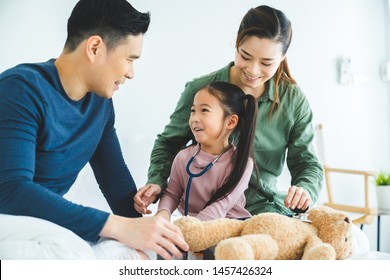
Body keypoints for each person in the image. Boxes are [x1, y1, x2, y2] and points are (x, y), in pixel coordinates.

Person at [0, 0, 188, 260]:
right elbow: (12, 190)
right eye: (129, 59)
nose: (131, 73)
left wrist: (152, 236)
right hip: (8, 216)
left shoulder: (100, 105)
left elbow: (118, 189)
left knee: (135, 254)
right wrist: (120, 227)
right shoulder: (20, 89)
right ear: (95, 47)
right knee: (70, 252)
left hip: (45, 225)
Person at [134, 5, 324, 218]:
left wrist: (304, 189)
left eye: (266, 63)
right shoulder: (200, 90)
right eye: (245, 55)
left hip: (264, 211)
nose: (252, 70)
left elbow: (307, 163)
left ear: (283, 57)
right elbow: (169, 143)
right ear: (236, 42)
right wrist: (156, 181)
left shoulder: (293, 101)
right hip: (205, 213)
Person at [156, 81, 257, 221]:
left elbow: (220, 206)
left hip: (229, 224)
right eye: (193, 111)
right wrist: (162, 215)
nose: (195, 118)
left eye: (204, 110)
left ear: (231, 122)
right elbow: (172, 194)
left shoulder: (242, 163)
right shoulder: (183, 157)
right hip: (192, 226)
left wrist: (192, 228)